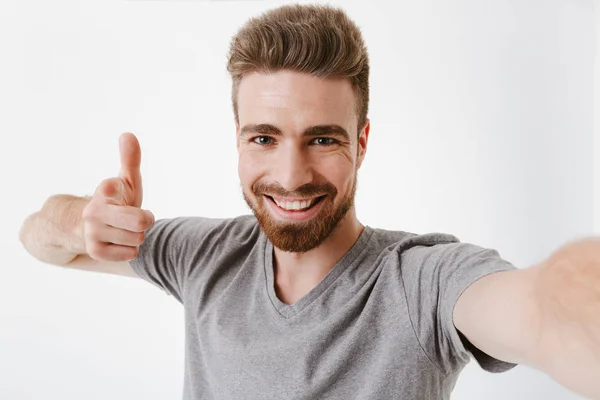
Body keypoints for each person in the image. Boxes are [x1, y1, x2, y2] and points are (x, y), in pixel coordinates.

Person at [18, 4, 600, 400]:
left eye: (322, 138)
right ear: (238, 140)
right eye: (264, 138)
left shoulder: (423, 283)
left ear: (362, 143)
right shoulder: (203, 256)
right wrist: (82, 222)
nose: (291, 175)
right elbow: (36, 237)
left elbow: (542, 309)